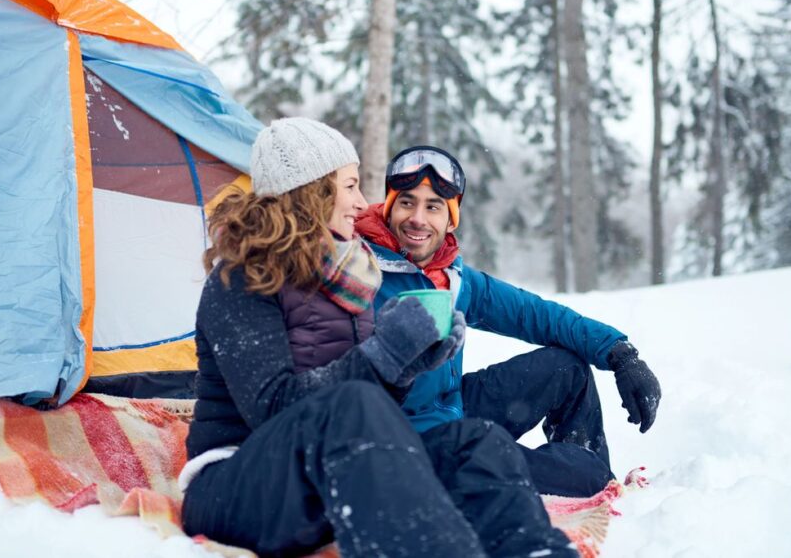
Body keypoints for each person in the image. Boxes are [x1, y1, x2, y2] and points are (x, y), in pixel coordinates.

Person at [180, 119, 577, 558]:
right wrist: (384, 354)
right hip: (237, 484)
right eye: (349, 186)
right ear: (312, 191)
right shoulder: (242, 278)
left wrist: (410, 363)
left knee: (476, 442)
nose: (360, 201)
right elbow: (273, 409)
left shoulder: (347, 273)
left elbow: (360, 400)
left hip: (326, 473)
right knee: (354, 404)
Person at [354, 144, 662, 498]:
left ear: (451, 218)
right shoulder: (359, 272)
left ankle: (581, 479)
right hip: (416, 448)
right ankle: (581, 483)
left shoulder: (451, 275)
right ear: (391, 206)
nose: (418, 219)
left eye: (433, 206)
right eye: (407, 202)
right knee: (588, 478)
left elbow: (532, 314)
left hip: (454, 409)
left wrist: (620, 353)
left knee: (565, 368)